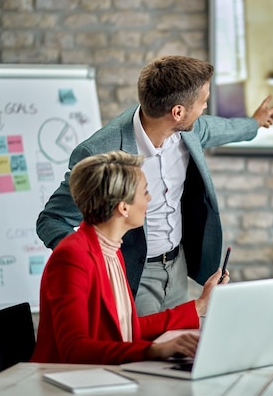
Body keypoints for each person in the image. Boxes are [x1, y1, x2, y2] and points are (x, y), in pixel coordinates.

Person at [36, 55, 273, 316]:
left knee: (177, 347)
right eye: (203, 103)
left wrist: (255, 122)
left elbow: (221, 128)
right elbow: (51, 219)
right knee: (142, 352)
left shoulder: (189, 131)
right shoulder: (100, 152)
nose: (205, 109)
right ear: (177, 112)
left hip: (178, 268)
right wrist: (92, 261)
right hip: (133, 275)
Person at [32, 151, 228, 364]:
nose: (150, 199)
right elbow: (74, 349)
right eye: (144, 192)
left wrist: (199, 305)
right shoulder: (72, 258)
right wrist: (153, 350)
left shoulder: (113, 250)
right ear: (123, 207)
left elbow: (127, 327)